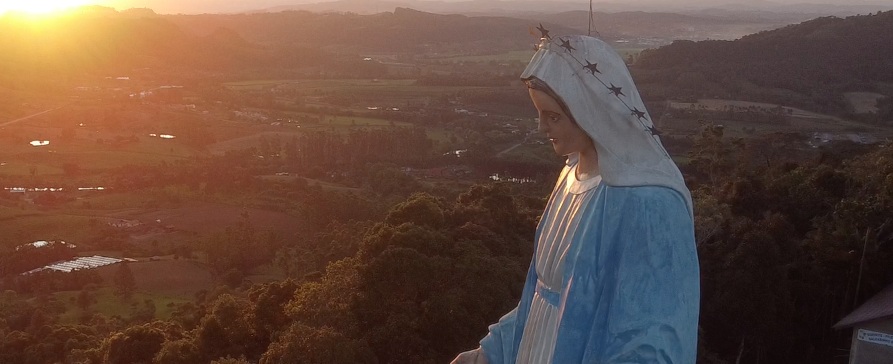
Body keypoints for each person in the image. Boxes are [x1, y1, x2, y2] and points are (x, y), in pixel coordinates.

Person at [451, 34, 700, 364]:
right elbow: (542, 293)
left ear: (590, 110)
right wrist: (491, 352)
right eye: (540, 114)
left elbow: (653, 336)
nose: (541, 128)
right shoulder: (571, 174)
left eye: (553, 116)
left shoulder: (648, 202)